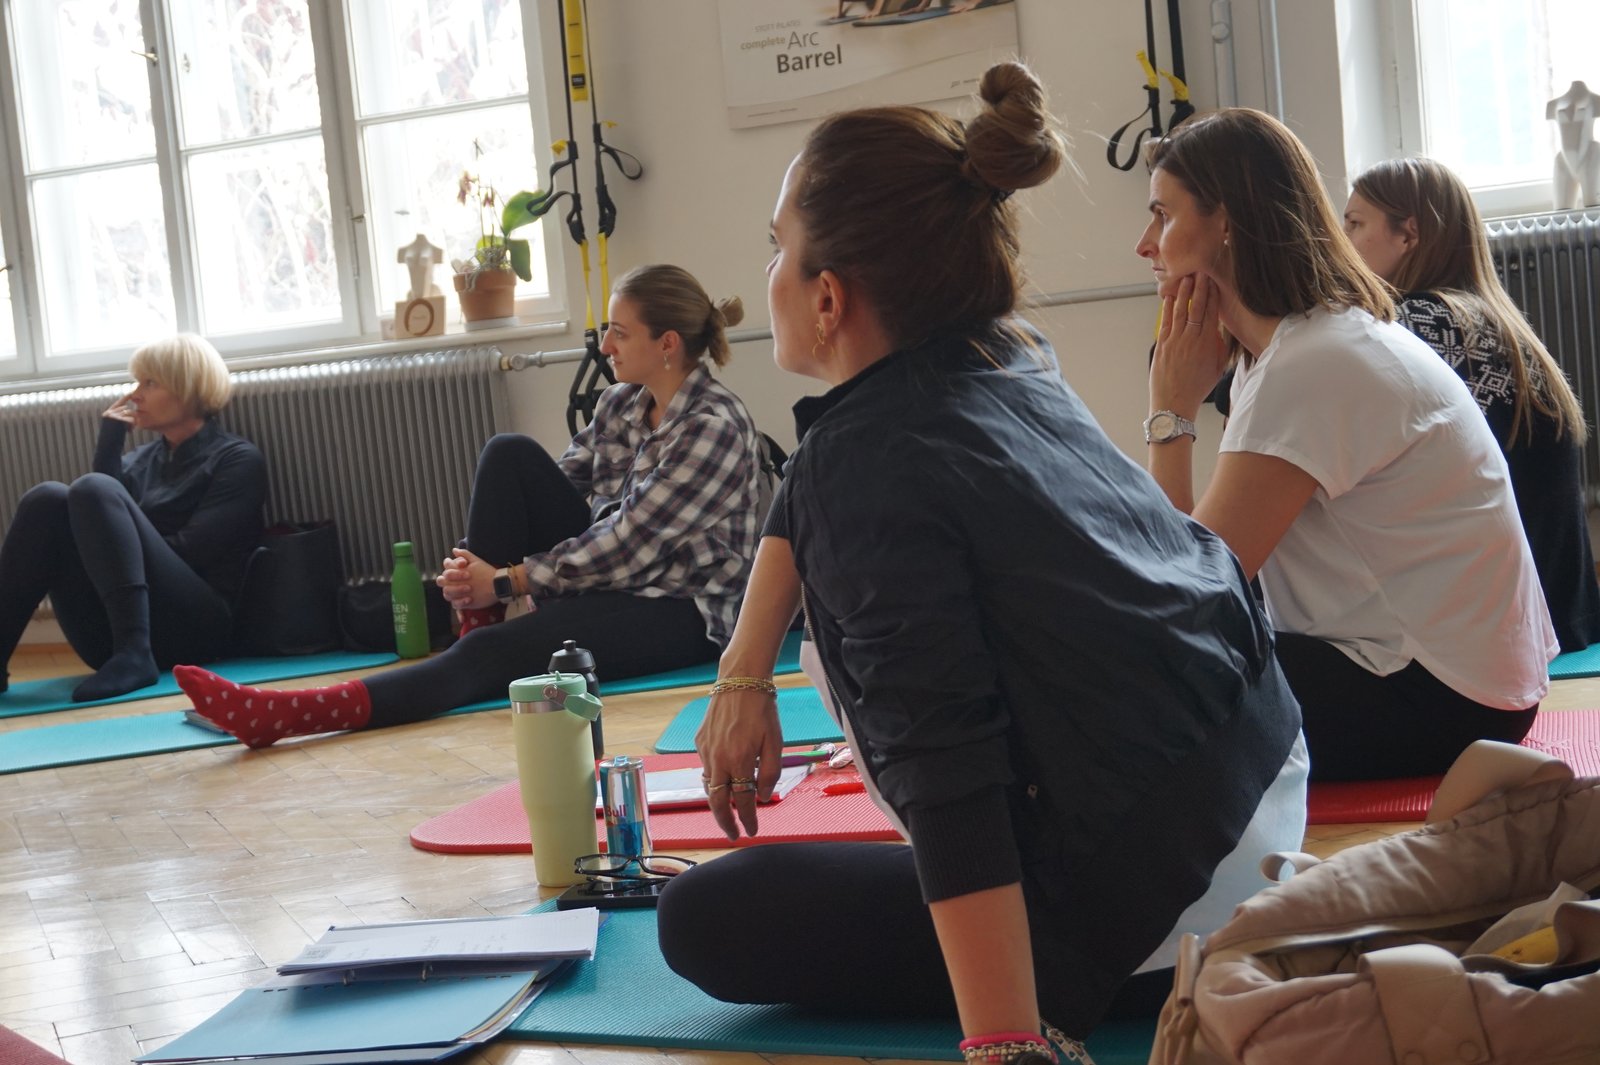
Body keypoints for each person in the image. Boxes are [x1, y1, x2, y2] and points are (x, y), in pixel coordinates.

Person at [657, 64, 1307, 1058]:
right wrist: (742, 671)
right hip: (1252, 779)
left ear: (827, 297)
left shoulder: (867, 464)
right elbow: (812, 475)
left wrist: (1005, 1041)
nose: (769, 274)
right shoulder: (1003, 356)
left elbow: (949, 772)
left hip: (1153, 903)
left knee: (707, 916)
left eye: (777, 247)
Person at [173, 264, 766, 748]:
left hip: (680, 610)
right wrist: (474, 571)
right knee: (508, 452)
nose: (605, 345)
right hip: (611, 578)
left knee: (490, 654)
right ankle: (474, 621)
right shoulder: (621, 403)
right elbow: (550, 486)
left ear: (667, 344)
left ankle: (289, 714)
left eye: (620, 333)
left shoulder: (711, 427)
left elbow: (629, 544)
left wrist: (506, 581)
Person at [1138, 109, 1557, 783]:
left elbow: (1192, 594)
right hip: (1455, 682)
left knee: (1144, 671)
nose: (1144, 245)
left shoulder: (1312, 362)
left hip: (1441, 701)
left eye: (1163, 215)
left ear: (1227, 224)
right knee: (1136, 653)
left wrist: (1170, 415)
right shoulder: (1295, 348)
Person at [1345, 157, 1599, 652]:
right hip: (1564, 609)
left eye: (1355, 224)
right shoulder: (1479, 315)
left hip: (1520, 627)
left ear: (1408, 234)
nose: (1342, 241)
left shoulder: (1422, 321)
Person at [0, 334, 266, 702]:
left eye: (150, 383)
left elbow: (193, 553)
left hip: (197, 630)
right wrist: (109, 443)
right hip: (106, 639)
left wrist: (120, 541)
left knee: (94, 488)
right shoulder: (139, 461)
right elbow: (97, 520)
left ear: (187, 387)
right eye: (137, 383)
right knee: (47, 498)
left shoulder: (237, 460)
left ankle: (134, 653)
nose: (135, 395)